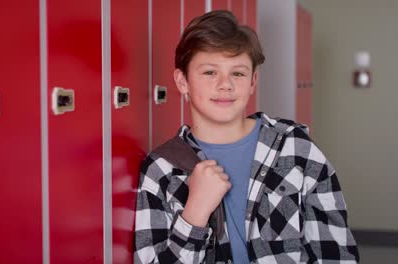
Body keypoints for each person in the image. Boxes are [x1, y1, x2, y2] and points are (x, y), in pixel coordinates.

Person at [134, 10, 359, 264]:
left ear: (253, 82)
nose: (225, 84)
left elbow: (335, 254)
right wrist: (194, 213)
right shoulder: (161, 170)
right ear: (182, 81)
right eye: (209, 72)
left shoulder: (295, 148)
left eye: (237, 73)